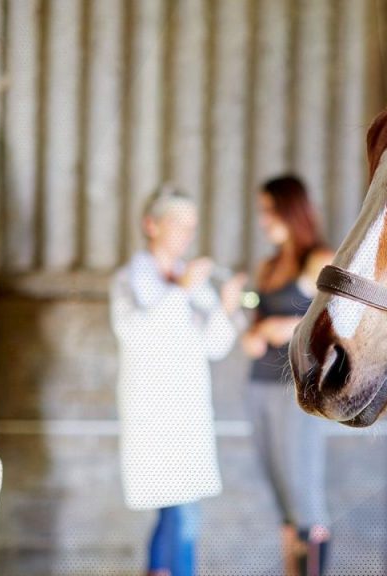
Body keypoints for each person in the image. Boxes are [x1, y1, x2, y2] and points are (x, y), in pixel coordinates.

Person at [110, 184, 246, 576]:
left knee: (177, 510)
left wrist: (224, 307)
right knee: (182, 515)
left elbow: (215, 346)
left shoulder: (192, 281)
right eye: (178, 225)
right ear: (150, 225)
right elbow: (134, 332)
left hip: (187, 414)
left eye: (192, 226)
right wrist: (180, 292)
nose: (187, 235)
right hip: (152, 413)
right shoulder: (129, 280)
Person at [241, 175, 335, 576]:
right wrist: (251, 331)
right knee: (280, 495)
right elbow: (255, 321)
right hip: (258, 385)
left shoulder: (318, 259)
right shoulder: (267, 266)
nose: (264, 219)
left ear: (291, 209)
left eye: (270, 209)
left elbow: (339, 321)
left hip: (297, 389)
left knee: (304, 494)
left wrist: (292, 326)